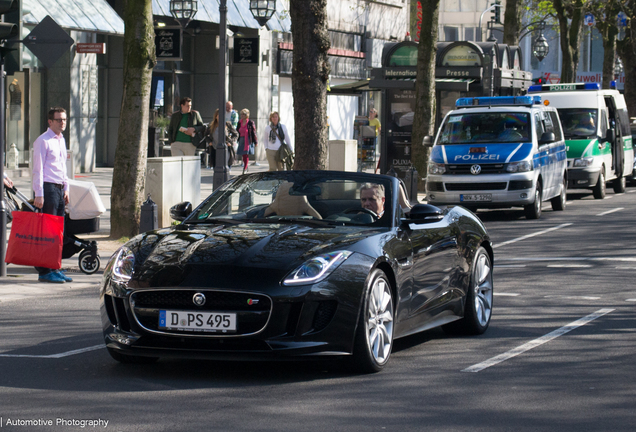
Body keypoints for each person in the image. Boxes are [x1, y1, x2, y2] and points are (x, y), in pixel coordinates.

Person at [31, 107, 72, 283]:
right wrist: (39, 194)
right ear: (50, 122)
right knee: (48, 232)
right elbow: (37, 170)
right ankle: (44, 271)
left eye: (64, 119)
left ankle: (55, 267)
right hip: (47, 188)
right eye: (59, 120)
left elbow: (63, 167)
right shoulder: (43, 141)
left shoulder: (61, 140)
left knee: (57, 232)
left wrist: (66, 187)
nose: (63, 122)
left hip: (59, 189)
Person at [236, 109, 258, 175]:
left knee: (246, 154)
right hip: (241, 139)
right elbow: (237, 131)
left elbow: (253, 132)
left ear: (247, 115)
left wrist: (255, 141)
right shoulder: (239, 122)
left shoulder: (250, 122)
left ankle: (245, 167)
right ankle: (245, 165)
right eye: (241, 114)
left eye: (243, 114)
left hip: (248, 140)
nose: (242, 116)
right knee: (243, 154)